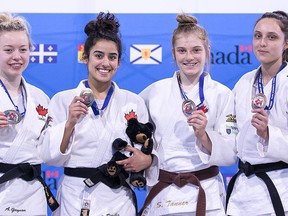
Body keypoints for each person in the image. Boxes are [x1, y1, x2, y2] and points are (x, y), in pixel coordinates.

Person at [41, 12, 158, 216]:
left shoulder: (133, 102)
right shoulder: (63, 99)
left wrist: (147, 161)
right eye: (98, 55)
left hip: (118, 198)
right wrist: (69, 124)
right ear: (85, 57)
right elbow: (50, 158)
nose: (105, 63)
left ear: (119, 62)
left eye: (112, 57)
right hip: (75, 196)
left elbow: (145, 151)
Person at [138, 13, 237, 216]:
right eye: (182, 51)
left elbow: (230, 154)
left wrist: (203, 135)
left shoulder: (222, 94)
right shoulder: (152, 92)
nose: (189, 57)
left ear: (207, 52)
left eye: (196, 50)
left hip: (206, 194)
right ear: (173, 54)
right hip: (163, 195)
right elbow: (137, 135)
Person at [226, 11, 288, 216]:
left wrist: (269, 135)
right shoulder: (244, 82)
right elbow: (231, 133)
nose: (262, 43)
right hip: (243, 192)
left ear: (286, 43)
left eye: (272, 37)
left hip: (280, 190)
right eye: (258, 35)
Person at [0, 12, 57, 215]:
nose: (17, 56)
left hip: (32, 191)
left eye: (23, 49)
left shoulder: (40, 97)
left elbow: (49, 147)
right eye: (8, 50)